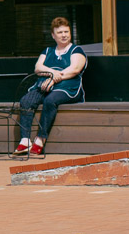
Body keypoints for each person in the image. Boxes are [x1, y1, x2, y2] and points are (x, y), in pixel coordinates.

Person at [17, 16, 87, 158]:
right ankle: (25, 140)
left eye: (66, 32)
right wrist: (52, 74)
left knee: (50, 100)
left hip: (67, 87)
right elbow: (38, 68)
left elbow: (74, 70)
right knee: (26, 100)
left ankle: (41, 139)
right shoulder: (48, 51)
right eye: (60, 32)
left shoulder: (76, 50)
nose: (64, 35)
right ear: (53, 35)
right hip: (44, 84)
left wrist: (54, 79)